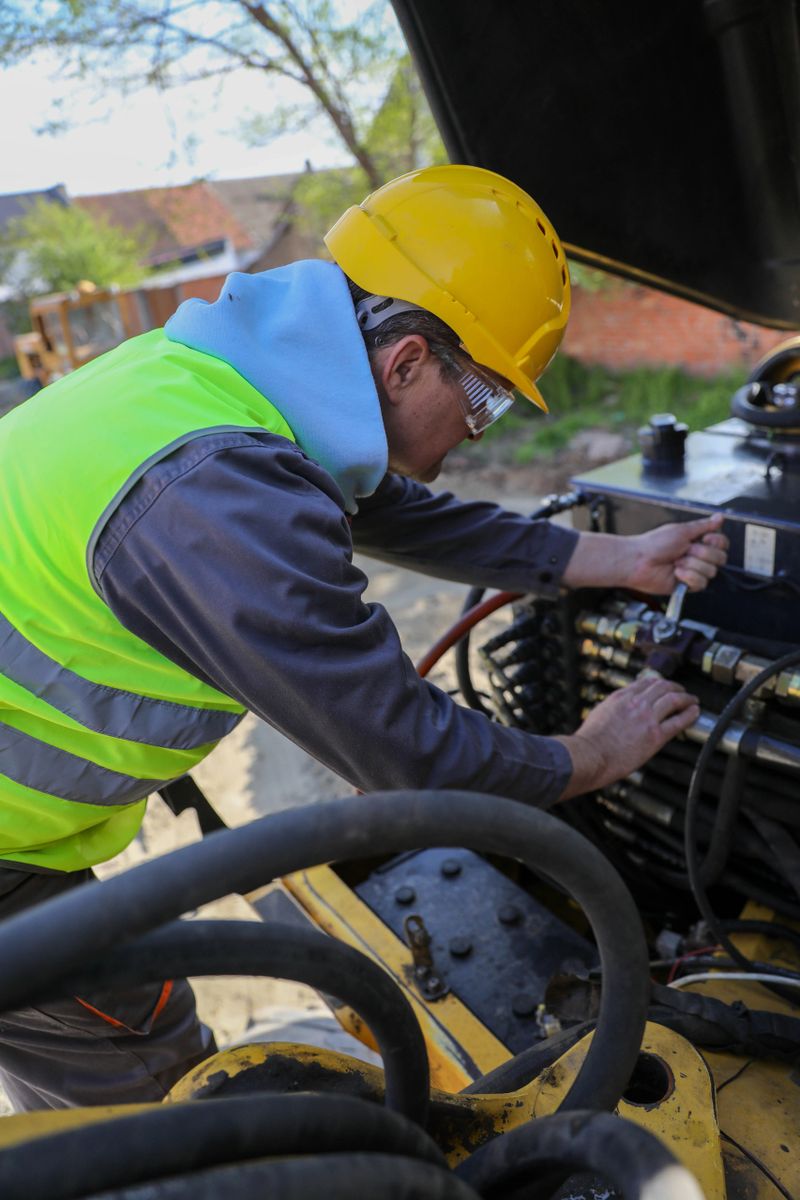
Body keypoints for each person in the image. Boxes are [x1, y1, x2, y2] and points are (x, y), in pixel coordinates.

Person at [0, 164, 727, 1110]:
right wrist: (588, 754)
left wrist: (612, 559)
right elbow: (409, 753)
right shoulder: (216, 497)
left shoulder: (216, 386)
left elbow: (389, 510)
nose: (479, 433)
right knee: (152, 1077)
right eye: (486, 399)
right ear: (408, 361)